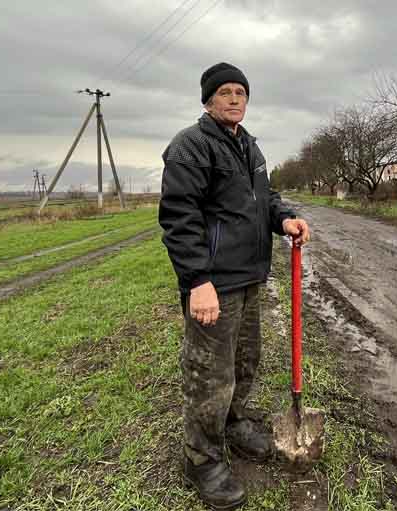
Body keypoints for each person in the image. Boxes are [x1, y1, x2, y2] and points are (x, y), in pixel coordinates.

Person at [158, 62, 311, 510]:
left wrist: (284, 218)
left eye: (240, 92)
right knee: (210, 374)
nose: (234, 99)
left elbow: (264, 200)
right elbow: (179, 220)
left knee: (246, 361)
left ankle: (233, 423)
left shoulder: (249, 148)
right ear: (208, 100)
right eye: (224, 92)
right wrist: (197, 281)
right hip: (213, 284)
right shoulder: (191, 146)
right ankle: (200, 458)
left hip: (249, 277)